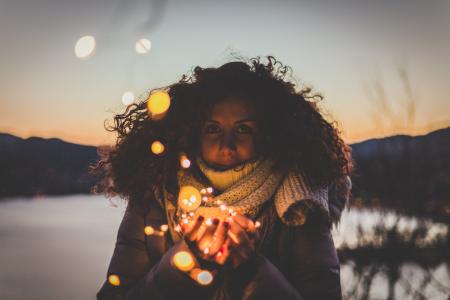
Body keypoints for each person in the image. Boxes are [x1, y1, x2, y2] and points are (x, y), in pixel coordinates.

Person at [91, 56, 353, 300]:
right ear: (192, 132)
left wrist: (250, 269)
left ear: (267, 134)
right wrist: (189, 260)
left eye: (243, 129)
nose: (227, 145)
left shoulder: (300, 204)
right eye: (213, 129)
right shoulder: (155, 197)